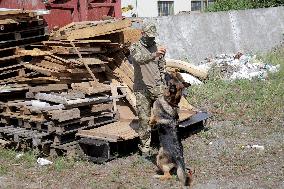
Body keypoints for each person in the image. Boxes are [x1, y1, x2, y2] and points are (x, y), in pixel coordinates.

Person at [129, 22, 167, 156]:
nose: (151, 39)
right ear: (142, 34)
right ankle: (145, 148)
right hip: (142, 90)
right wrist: (154, 55)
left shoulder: (156, 47)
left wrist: (163, 82)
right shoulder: (135, 47)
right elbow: (139, 59)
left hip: (157, 89)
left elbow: (162, 66)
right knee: (144, 119)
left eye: (153, 37)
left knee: (164, 117)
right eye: (149, 36)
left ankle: (166, 145)